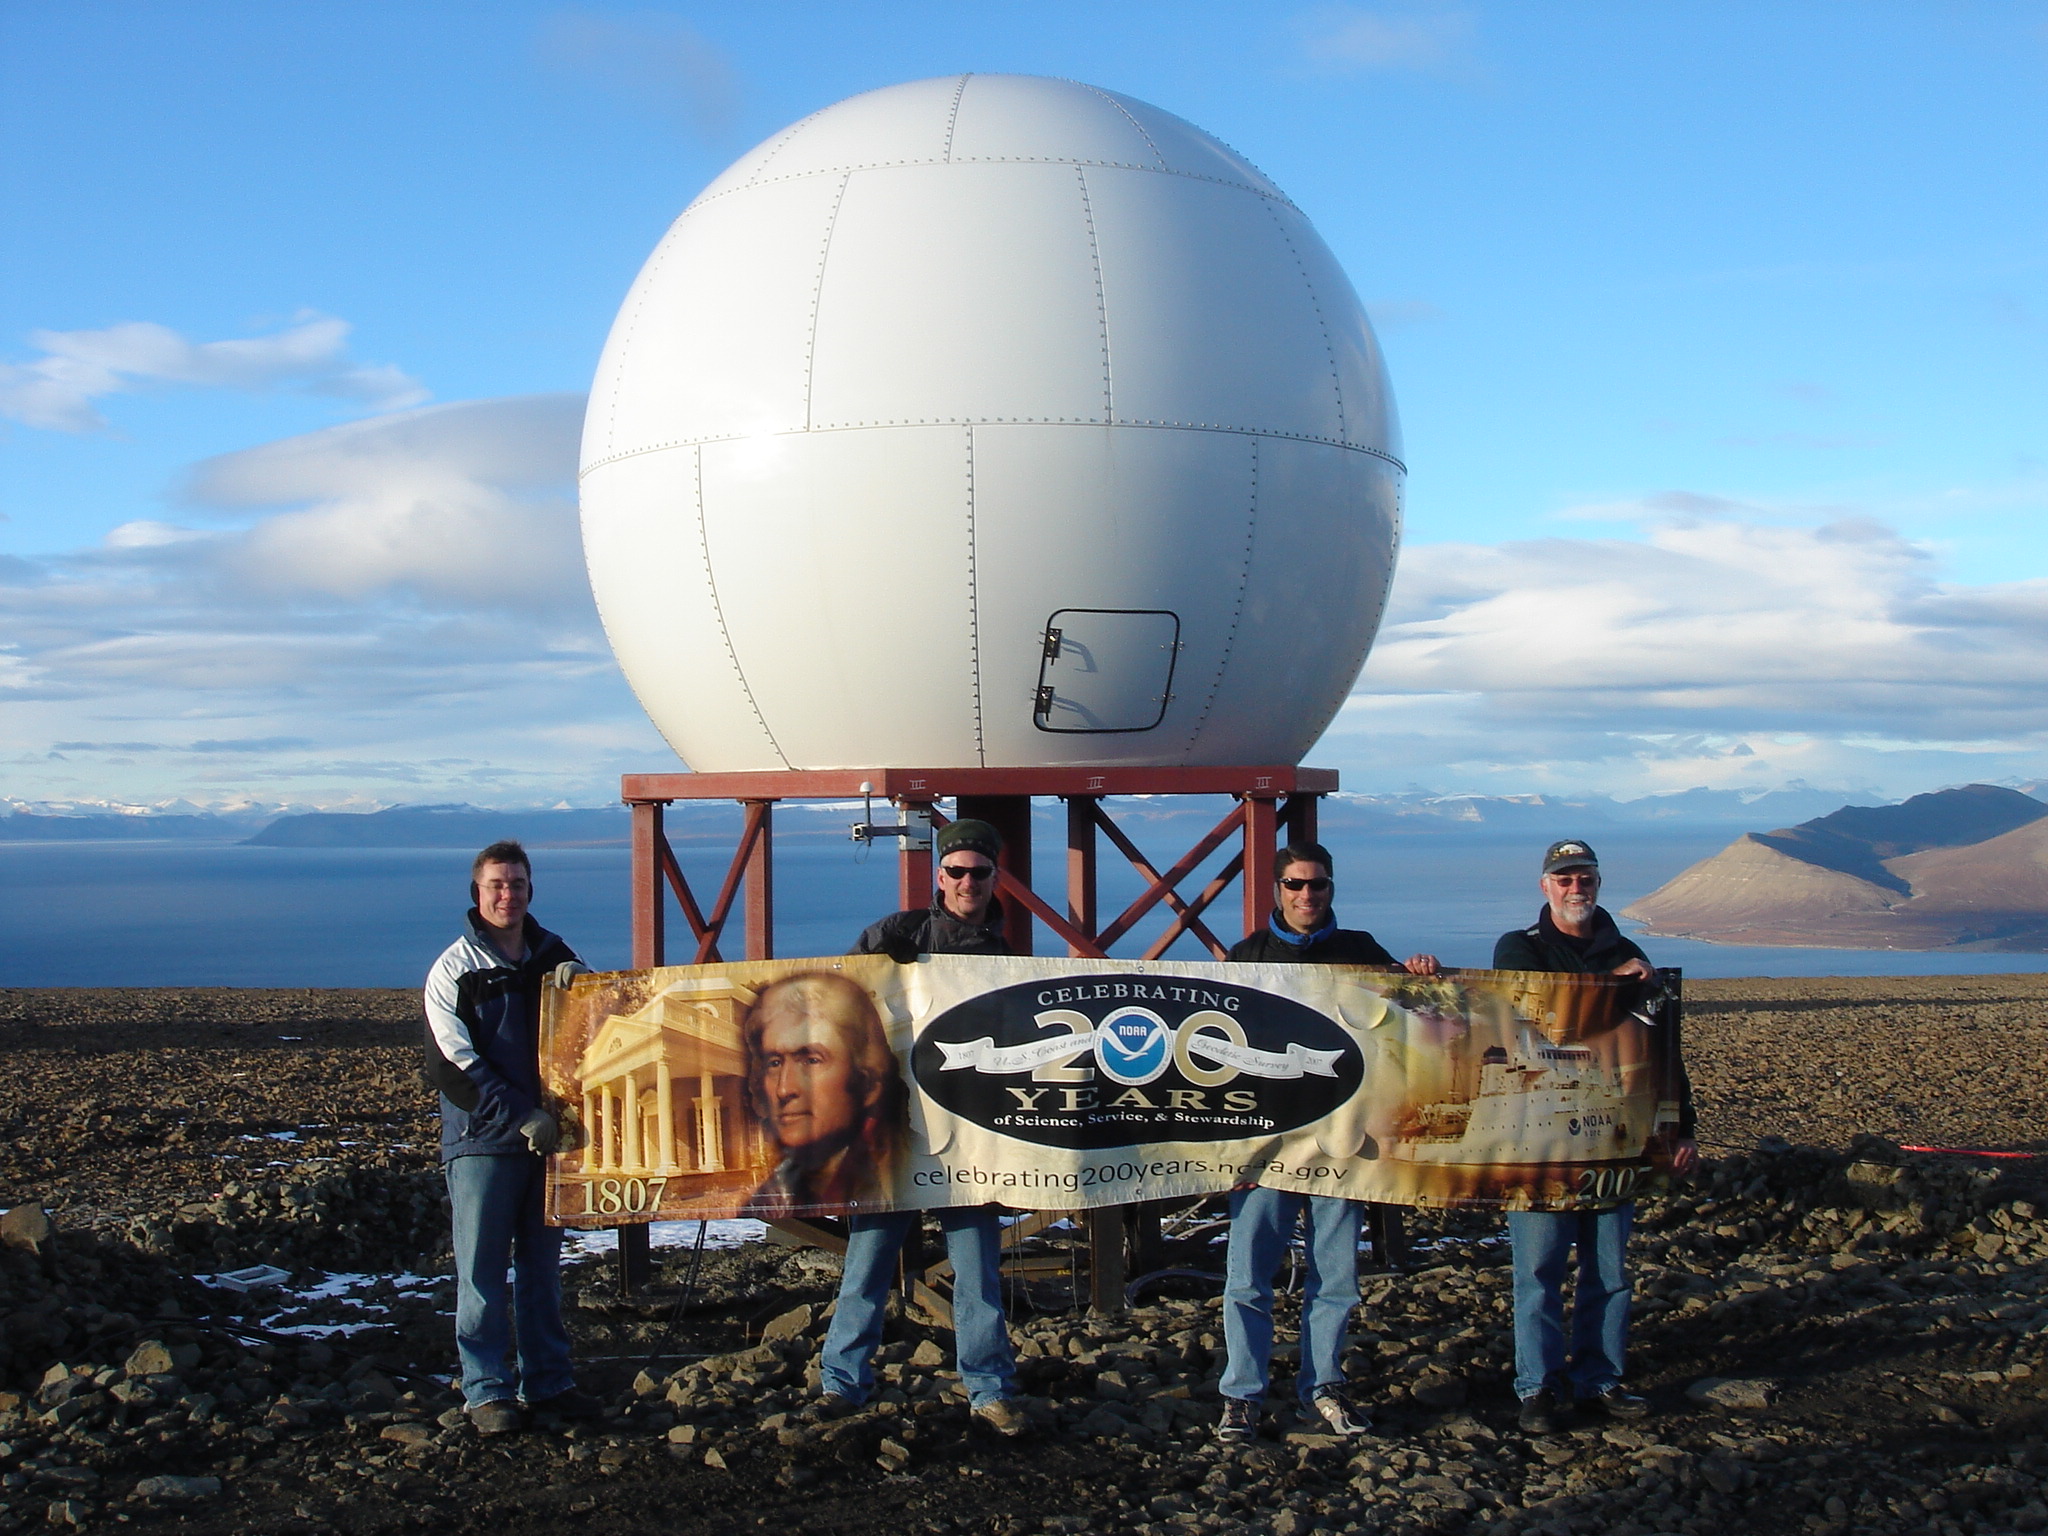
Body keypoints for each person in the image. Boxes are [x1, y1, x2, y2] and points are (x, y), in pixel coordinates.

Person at [1216, 840, 1440, 1443]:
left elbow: (1413, 1021)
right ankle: (1241, 1394)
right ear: (1276, 890)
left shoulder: (1362, 953)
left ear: (1331, 889)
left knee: (1336, 1277)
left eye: (1317, 885)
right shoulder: (1246, 958)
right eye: (1294, 885)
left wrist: (1421, 977)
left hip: (1345, 1143)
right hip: (1267, 1148)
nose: (1306, 895)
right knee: (1248, 1277)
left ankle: (1325, 1385)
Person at [812, 818, 1029, 1435]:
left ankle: (988, 1389)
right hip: (896, 1133)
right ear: (939, 875)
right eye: (956, 871)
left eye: (979, 873)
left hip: (967, 1138)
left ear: (993, 878)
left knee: (979, 1272)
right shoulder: (898, 932)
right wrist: (884, 962)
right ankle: (843, 1381)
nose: (967, 882)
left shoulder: (1005, 957)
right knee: (867, 1263)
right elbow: (841, 992)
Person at [1492, 839, 1697, 1434]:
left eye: (1584, 877)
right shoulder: (1520, 948)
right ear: (1545, 887)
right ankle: (1538, 1387)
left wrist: (1681, 1127)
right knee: (1538, 1271)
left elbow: (1662, 1045)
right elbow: (1537, 1007)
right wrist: (1612, 984)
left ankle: (1600, 1378)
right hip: (1538, 1141)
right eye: (1564, 878)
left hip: (1614, 1138)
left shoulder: (1630, 952)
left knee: (1609, 1271)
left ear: (1598, 883)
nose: (1574, 887)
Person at [423, 840, 595, 1435]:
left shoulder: (552, 954)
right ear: (477, 892)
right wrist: (521, 1115)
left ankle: (548, 1382)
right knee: (481, 1270)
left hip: (547, 1145)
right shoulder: (454, 969)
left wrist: (586, 986)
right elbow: (454, 1064)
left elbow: (597, 1022)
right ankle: (487, 1389)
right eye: (496, 884)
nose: (507, 894)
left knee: (543, 1269)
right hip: (485, 1141)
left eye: (517, 883)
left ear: (530, 890)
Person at [742, 971, 908, 1216]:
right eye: (774, 1063)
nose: (784, 1089)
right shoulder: (775, 1189)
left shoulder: (900, 1168)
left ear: (868, 1081)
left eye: (811, 1060)